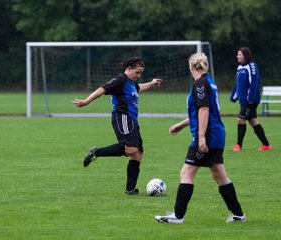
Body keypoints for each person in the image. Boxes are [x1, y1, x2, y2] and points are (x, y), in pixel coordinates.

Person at [155, 53, 246, 224]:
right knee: (219, 175)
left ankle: (178, 216)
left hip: (208, 136)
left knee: (186, 173)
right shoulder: (209, 82)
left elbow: (204, 111)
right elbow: (200, 111)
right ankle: (238, 215)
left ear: (191, 66)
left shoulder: (200, 84)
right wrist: (182, 124)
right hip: (217, 134)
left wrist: (201, 138)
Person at [72, 57, 162, 195]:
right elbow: (102, 89)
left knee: (137, 154)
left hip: (132, 120)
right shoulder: (120, 80)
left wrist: (152, 83)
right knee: (131, 149)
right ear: (129, 69)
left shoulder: (131, 83)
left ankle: (130, 189)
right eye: (137, 72)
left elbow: (139, 88)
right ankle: (96, 153)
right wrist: (86, 101)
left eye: (140, 73)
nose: (138, 75)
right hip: (122, 117)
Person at [230, 47, 271, 151]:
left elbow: (254, 83)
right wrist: (234, 96)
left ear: (245, 55)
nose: (237, 56)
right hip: (244, 100)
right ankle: (266, 145)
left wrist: (250, 99)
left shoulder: (252, 66)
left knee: (240, 119)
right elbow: (238, 84)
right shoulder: (239, 68)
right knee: (253, 121)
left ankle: (238, 145)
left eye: (239, 54)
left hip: (251, 100)